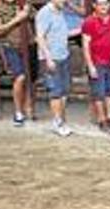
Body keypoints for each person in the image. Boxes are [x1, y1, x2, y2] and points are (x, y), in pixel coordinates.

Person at [81, 0, 110, 133]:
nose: (104, 7)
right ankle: (101, 120)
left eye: (106, 4)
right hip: (96, 61)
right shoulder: (89, 22)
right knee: (99, 93)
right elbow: (86, 45)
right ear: (94, 6)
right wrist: (90, 65)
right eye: (100, 4)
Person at [36, 0, 73, 136]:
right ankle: (58, 122)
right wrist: (48, 58)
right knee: (55, 92)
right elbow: (40, 37)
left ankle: (61, 120)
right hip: (52, 58)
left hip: (63, 55)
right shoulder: (45, 13)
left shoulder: (60, 11)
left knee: (64, 91)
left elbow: (62, 33)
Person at [0, 0, 35, 126]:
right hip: (10, 45)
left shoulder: (23, 3)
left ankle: (29, 107)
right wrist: (18, 18)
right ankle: (18, 112)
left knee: (32, 79)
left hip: (29, 45)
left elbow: (36, 17)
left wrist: (28, 12)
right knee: (20, 77)